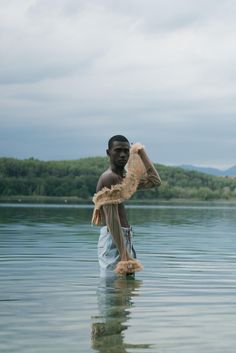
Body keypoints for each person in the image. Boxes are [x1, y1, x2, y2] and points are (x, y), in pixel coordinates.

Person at [92, 135, 161, 277]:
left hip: (124, 238)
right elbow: (112, 218)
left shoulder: (125, 177)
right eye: (118, 150)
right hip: (114, 239)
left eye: (126, 150)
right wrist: (124, 256)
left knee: (125, 293)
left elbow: (155, 181)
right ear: (108, 152)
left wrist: (140, 151)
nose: (123, 154)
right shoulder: (109, 177)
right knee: (113, 290)